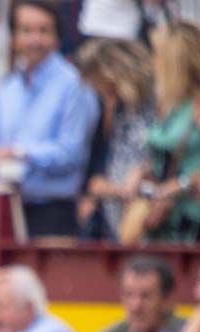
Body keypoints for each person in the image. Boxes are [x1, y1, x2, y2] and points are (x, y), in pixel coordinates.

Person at [0, 0, 99, 238]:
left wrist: (20, 153)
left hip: (54, 210)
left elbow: (70, 152)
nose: (36, 40)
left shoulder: (73, 85)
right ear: (13, 37)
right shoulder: (7, 88)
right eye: (26, 30)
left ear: (57, 37)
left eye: (44, 30)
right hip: (6, 206)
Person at [126, 22, 200, 243]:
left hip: (194, 215)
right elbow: (162, 153)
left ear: (174, 62)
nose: (151, 63)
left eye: (156, 55)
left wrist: (181, 184)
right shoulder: (168, 101)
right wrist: (143, 173)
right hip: (161, 213)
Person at [76, 38, 154, 239]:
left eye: (101, 82)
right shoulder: (113, 110)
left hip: (148, 214)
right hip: (116, 216)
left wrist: (142, 173)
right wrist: (113, 190)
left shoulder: (154, 105)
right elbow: (99, 172)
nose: (100, 90)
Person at [71, 256, 185, 332]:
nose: (135, 306)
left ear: (167, 300)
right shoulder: (125, 328)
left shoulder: (184, 331)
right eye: (129, 295)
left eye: (146, 296)